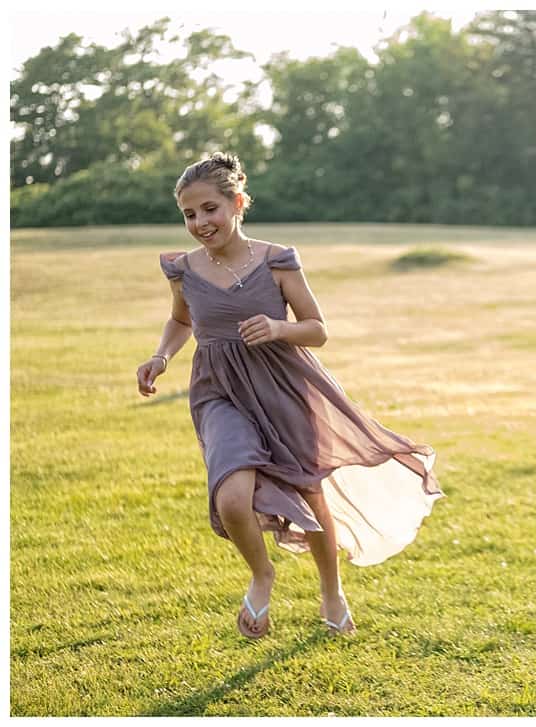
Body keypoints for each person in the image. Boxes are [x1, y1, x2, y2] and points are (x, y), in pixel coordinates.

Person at [136, 152, 443, 639]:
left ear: (237, 202)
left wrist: (279, 327)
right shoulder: (182, 269)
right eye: (189, 214)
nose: (200, 223)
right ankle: (262, 575)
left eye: (210, 208)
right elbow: (181, 320)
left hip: (285, 386)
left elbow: (317, 330)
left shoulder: (276, 260)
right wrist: (161, 356)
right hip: (219, 391)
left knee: (310, 492)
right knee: (231, 494)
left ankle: (331, 592)